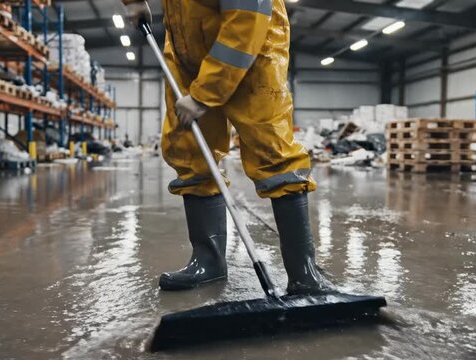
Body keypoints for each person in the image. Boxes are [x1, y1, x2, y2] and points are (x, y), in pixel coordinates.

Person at [121, 0, 332, 295]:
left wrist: (205, 94)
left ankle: (304, 273)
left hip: (250, 45)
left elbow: (246, 19)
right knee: (191, 150)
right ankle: (208, 262)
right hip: (185, 42)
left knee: (272, 150)